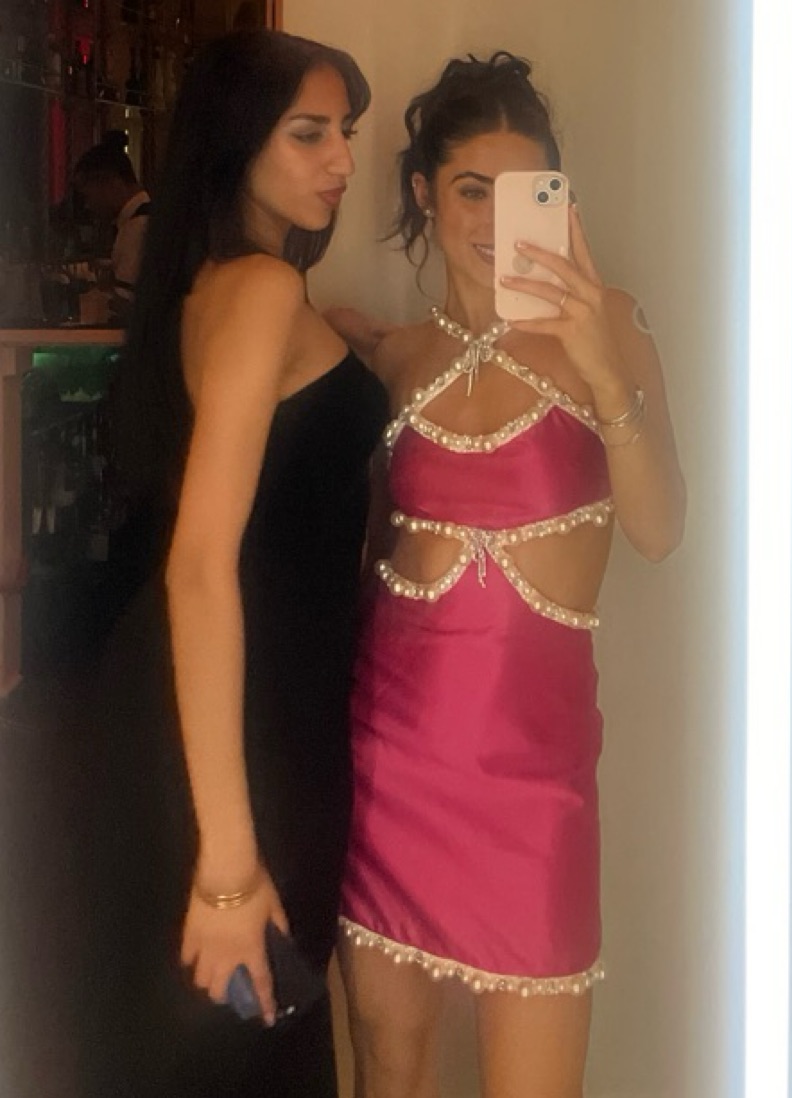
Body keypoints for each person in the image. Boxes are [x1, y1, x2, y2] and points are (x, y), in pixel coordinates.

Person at [336, 52, 686, 1098]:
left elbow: (660, 530)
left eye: (524, 192)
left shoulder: (609, 323)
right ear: (423, 194)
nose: (494, 220)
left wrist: (598, 360)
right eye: (469, 190)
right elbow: (362, 556)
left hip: (535, 785)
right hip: (393, 764)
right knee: (390, 1073)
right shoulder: (396, 358)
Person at [80, 29, 386, 1098]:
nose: (341, 159)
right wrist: (225, 864)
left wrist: (351, 352)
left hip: (225, 705)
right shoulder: (259, 292)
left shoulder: (220, 290)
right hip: (245, 723)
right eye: (309, 134)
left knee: (220, 1044)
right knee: (246, 1041)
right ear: (236, 142)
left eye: (344, 131)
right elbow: (201, 567)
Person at [73, 130, 151, 318]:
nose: (88, 205)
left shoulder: (136, 228)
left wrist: (101, 292)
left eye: (87, 196)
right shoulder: (149, 219)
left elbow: (127, 305)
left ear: (108, 181)